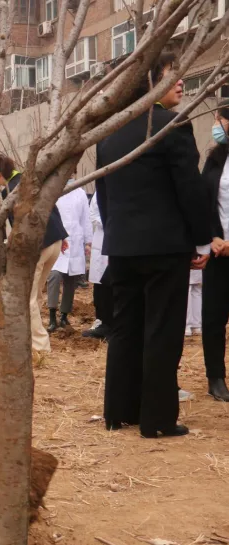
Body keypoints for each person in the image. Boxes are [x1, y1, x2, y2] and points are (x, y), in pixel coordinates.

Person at [97, 54, 211, 437]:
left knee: (125, 329)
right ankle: (157, 420)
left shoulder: (111, 134)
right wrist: (202, 240)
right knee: (162, 330)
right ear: (150, 83)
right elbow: (189, 189)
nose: (180, 82)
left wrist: (116, 233)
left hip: (122, 246)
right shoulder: (171, 126)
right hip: (164, 247)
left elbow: (104, 194)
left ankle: (119, 411)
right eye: (171, 75)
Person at [0, 155, 68, 361]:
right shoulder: (32, 180)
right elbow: (52, 204)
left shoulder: (10, 191)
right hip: (55, 240)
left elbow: (18, 227)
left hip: (39, 245)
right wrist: (62, 234)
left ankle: (40, 347)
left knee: (27, 298)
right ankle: (32, 336)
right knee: (35, 295)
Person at [199, 100, 229, 402]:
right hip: (219, 254)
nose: (217, 125)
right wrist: (212, 237)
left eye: (220, 119)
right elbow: (204, 202)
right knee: (213, 317)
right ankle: (215, 376)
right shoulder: (215, 159)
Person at [47, 185, 92, 332]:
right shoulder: (54, 189)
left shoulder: (80, 193)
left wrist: (88, 241)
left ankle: (64, 315)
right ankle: (52, 316)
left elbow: (86, 218)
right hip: (58, 239)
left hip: (76, 240)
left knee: (70, 280)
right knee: (54, 276)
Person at [83, 195, 112, 339]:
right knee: (100, 286)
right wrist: (109, 222)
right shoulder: (98, 194)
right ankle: (102, 322)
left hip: (120, 241)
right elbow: (93, 214)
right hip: (102, 241)